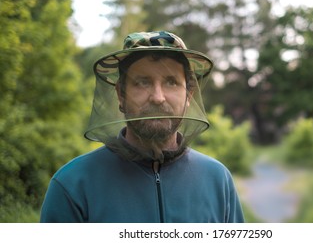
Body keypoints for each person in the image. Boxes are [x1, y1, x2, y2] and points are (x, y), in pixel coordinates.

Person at [40, 31, 245, 223]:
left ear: (189, 95)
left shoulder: (218, 180)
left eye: (171, 82)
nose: (157, 97)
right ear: (121, 94)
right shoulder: (73, 184)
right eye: (142, 82)